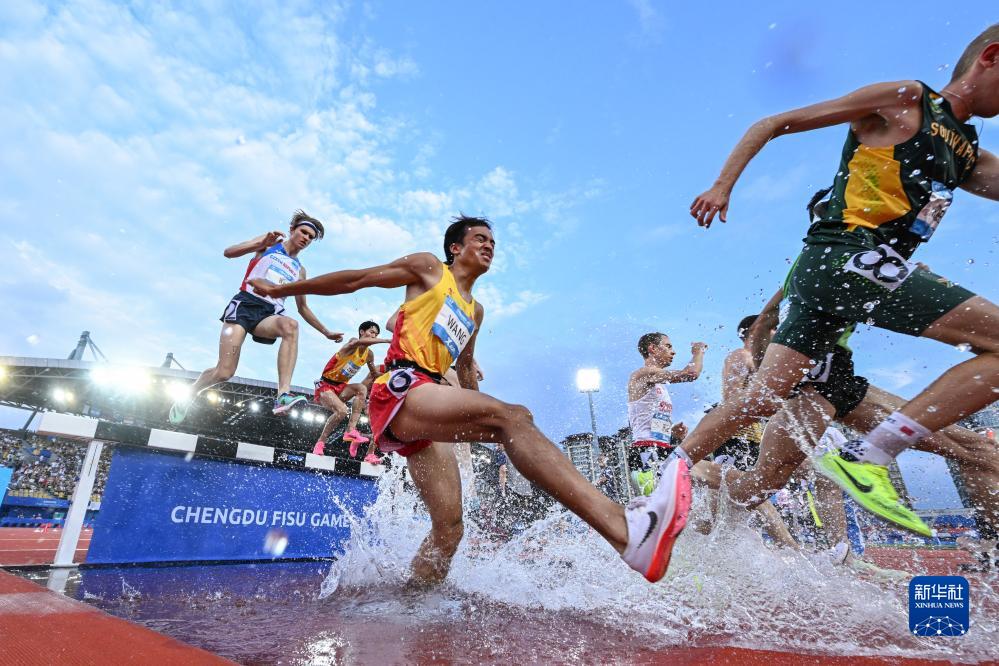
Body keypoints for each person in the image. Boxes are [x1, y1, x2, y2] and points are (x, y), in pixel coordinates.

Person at [670, 25, 999, 543]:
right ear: (991, 58)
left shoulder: (966, 152)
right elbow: (776, 121)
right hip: (852, 260)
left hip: (836, 323)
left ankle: (668, 487)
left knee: (761, 416)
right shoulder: (907, 99)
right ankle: (869, 455)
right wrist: (722, 185)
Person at [249, 215, 691, 586]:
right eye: (480, 238)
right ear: (456, 248)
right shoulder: (427, 269)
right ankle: (623, 531)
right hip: (401, 387)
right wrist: (281, 292)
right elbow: (357, 279)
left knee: (450, 528)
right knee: (513, 417)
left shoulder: (475, 312)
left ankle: (413, 600)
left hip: (430, 403)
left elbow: (464, 370)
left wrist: (488, 420)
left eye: (494, 242)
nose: (489, 246)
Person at [169, 211, 343, 424]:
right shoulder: (270, 244)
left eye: (310, 237)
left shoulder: (300, 271)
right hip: (243, 307)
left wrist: (326, 332)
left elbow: (303, 308)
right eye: (303, 232)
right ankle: (191, 392)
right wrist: (259, 244)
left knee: (291, 325)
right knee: (224, 372)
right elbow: (229, 252)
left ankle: (283, 396)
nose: (306, 238)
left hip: (268, 315)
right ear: (292, 230)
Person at [626, 333, 706, 495]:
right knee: (659, 510)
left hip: (662, 447)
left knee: (687, 500)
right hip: (646, 451)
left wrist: (672, 434)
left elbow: (648, 423)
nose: (674, 352)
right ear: (653, 349)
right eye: (668, 346)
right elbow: (690, 374)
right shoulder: (642, 374)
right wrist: (698, 352)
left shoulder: (659, 385)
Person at [312, 320, 391, 461]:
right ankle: (320, 442)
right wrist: (386, 340)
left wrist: (391, 374)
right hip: (325, 386)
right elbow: (358, 343)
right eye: (372, 332)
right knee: (342, 411)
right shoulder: (353, 343)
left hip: (341, 388)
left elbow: (374, 375)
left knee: (361, 388)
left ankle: (351, 431)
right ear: (362, 332)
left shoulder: (369, 355)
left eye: (376, 334)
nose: (374, 336)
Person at [711, 315, 766, 471]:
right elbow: (731, 398)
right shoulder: (741, 355)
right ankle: (686, 469)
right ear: (757, 331)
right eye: (774, 328)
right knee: (728, 488)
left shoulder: (757, 361)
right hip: (735, 437)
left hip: (753, 438)